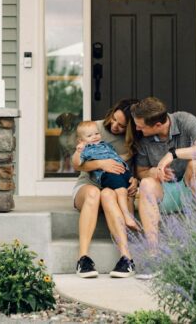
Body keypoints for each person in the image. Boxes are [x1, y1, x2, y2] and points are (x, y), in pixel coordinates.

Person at [131, 96, 196, 248]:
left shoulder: (184, 120)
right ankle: (153, 252)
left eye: (141, 126)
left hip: (191, 191)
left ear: (157, 125)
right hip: (163, 194)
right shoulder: (143, 138)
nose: (137, 129)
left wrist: (174, 154)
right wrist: (152, 172)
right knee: (146, 183)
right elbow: (141, 172)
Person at [71, 98, 140, 279]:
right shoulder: (94, 128)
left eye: (122, 125)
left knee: (108, 193)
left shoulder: (134, 139)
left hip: (115, 187)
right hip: (89, 185)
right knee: (95, 192)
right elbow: (78, 165)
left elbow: (133, 167)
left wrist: (135, 180)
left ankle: (126, 259)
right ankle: (83, 258)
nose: (115, 126)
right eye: (114, 119)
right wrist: (102, 163)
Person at [71, 120, 139, 231]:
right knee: (121, 191)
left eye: (97, 134)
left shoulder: (106, 146)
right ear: (81, 140)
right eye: (89, 135)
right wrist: (78, 152)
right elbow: (77, 163)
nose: (94, 137)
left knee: (129, 193)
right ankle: (127, 217)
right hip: (108, 174)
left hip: (123, 171)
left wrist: (129, 154)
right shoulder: (87, 150)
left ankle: (129, 226)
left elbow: (117, 157)